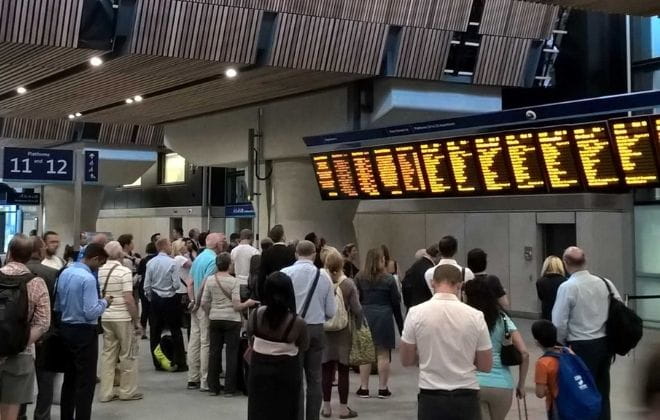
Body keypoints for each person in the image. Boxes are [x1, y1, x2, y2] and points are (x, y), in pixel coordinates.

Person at [400, 265, 493, 420]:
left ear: (432, 283)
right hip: (466, 395)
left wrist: (422, 356)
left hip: (431, 395)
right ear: (460, 285)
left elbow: (406, 360)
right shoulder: (476, 316)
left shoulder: (415, 313)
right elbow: (486, 365)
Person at [552, 246, 620, 420]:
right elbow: (620, 308)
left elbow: (559, 322)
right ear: (585, 261)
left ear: (565, 263)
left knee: (580, 391)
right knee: (602, 390)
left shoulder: (568, 287)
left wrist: (559, 344)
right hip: (604, 344)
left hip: (580, 346)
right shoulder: (605, 282)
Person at [281, 240, 335, 420]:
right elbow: (330, 311)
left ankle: (296, 415)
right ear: (314, 254)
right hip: (316, 328)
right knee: (315, 378)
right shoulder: (324, 277)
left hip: (291, 328)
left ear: (296, 254)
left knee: (295, 378)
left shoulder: (285, 274)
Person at [56, 243, 111, 420]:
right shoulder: (87, 279)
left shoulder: (65, 272)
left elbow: (57, 304)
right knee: (86, 381)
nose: (99, 267)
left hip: (65, 328)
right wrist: (105, 302)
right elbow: (90, 312)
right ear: (94, 258)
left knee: (69, 378)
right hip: (84, 332)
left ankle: (66, 416)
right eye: (100, 263)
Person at [0, 237, 50, 420]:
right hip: (21, 356)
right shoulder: (36, 283)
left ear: (9, 253)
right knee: (11, 413)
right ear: (30, 256)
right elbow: (43, 323)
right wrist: (18, 343)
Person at [247, 272, 309, 420]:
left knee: (258, 410)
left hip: (258, 370)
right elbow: (304, 346)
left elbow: (250, 339)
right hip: (286, 372)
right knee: (286, 411)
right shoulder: (297, 322)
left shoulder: (255, 316)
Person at [464, 279, 529, 420]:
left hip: (472, 383)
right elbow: (524, 353)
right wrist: (521, 385)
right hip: (502, 385)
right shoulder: (503, 319)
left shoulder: (466, 319)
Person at [201, 253, 258, 396]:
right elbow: (237, 305)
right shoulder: (234, 282)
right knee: (231, 354)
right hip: (232, 320)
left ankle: (213, 387)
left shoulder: (209, 280)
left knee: (214, 353)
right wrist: (248, 303)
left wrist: (210, 313)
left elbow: (203, 302)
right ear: (229, 265)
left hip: (215, 318)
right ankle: (229, 389)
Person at [354, 248, 404, 399]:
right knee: (383, 354)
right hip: (384, 316)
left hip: (365, 316)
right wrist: (401, 326)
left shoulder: (359, 277)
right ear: (380, 260)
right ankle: (383, 389)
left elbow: (356, 299)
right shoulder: (389, 279)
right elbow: (396, 302)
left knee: (365, 354)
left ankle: (364, 388)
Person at [98, 241, 142, 402]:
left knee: (108, 354)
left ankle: (106, 392)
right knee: (127, 354)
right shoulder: (124, 271)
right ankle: (127, 391)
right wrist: (137, 321)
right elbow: (129, 298)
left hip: (106, 315)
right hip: (122, 317)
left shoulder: (100, 270)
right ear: (119, 255)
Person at [21, 237, 59, 420]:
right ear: (39, 251)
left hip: (19, 334)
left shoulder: (12, 273)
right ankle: (42, 416)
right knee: (45, 382)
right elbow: (57, 306)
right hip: (46, 333)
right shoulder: (52, 273)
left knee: (18, 380)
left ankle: (18, 414)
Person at [321, 251, 362, 419]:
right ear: (342, 265)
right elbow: (357, 308)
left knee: (326, 369)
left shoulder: (321, 282)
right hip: (344, 331)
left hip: (324, 330)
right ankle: (344, 409)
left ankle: (326, 407)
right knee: (343, 370)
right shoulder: (348, 284)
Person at [187, 233, 227, 390]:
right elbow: (205, 283)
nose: (224, 244)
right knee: (206, 342)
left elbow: (190, 283)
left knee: (194, 341)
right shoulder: (213, 260)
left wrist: (191, 301)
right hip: (204, 305)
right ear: (217, 245)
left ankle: (192, 377)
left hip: (194, 306)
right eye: (222, 242)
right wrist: (197, 302)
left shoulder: (198, 258)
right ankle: (205, 380)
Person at [144, 238, 186, 372]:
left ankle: (158, 362)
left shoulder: (150, 263)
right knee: (175, 330)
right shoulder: (172, 263)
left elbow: (147, 285)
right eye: (169, 244)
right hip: (170, 299)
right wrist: (172, 290)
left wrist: (151, 297)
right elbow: (176, 284)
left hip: (155, 299)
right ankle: (180, 361)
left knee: (155, 331)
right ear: (164, 246)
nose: (170, 247)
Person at [532, 320, 563, 419]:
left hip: (556, 406)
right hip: (574, 401)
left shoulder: (543, 363)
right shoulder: (568, 352)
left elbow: (540, 393)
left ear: (537, 342)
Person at [257, 225, 296, 300]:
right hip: (288, 288)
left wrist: (262, 296)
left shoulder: (266, 253)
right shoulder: (291, 251)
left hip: (272, 289)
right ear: (282, 236)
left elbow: (261, 276)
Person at [402, 244, 439, 310]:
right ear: (437, 256)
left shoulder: (415, 266)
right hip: (426, 308)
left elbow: (405, 286)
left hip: (414, 307)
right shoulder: (430, 269)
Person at [137, 242, 158, 339]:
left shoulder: (143, 260)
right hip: (155, 286)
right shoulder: (157, 260)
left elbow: (139, 273)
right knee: (153, 310)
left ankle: (143, 331)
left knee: (144, 310)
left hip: (143, 287)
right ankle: (154, 329)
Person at [537, 256, 567, 321]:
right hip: (561, 312)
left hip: (546, 313)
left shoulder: (540, 281)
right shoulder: (565, 281)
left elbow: (541, 297)